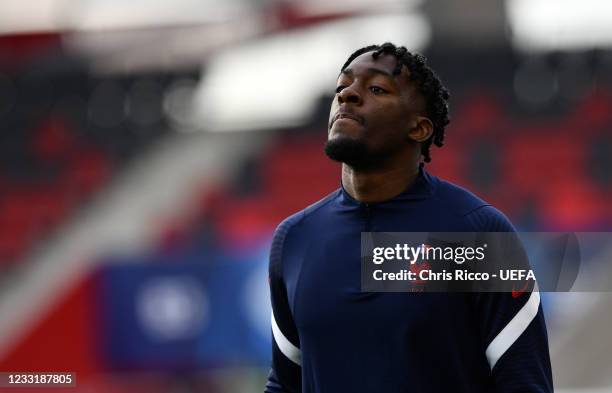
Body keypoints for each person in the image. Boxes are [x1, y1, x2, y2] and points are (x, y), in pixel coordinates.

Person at [265, 42, 553, 393]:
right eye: (342, 87)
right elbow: (284, 383)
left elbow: (524, 383)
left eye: (375, 88)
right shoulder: (294, 239)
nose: (348, 96)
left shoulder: (479, 235)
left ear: (419, 129)